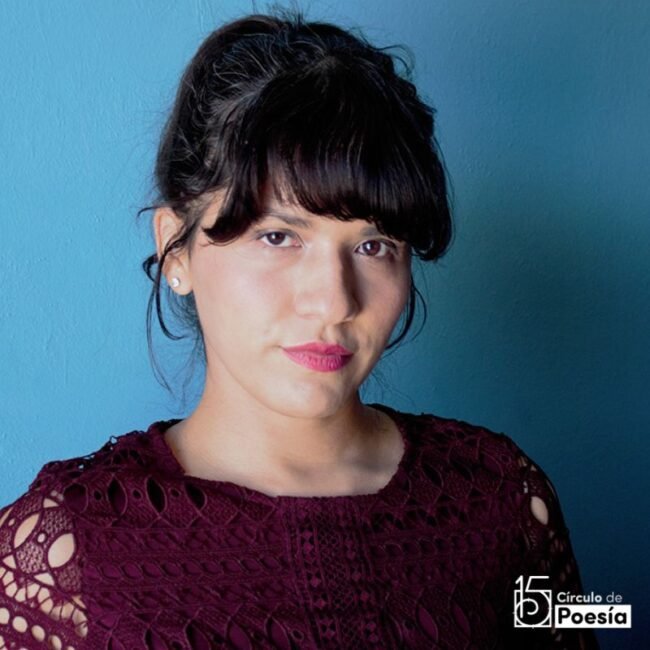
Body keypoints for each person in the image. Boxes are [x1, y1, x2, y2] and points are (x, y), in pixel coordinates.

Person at [0, 10, 599, 650]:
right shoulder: (59, 549)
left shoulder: (509, 496)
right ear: (176, 248)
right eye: (278, 237)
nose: (334, 302)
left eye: (373, 246)